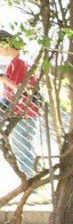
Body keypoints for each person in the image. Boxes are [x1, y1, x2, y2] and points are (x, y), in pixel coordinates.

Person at [0, 30, 40, 176]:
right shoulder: (17, 62)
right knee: (24, 147)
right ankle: (34, 178)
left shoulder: (19, 63)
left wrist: (4, 79)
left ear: (5, 44)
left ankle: (31, 180)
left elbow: (19, 89)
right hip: (22, 111)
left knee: (22, 148)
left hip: (23, 112)